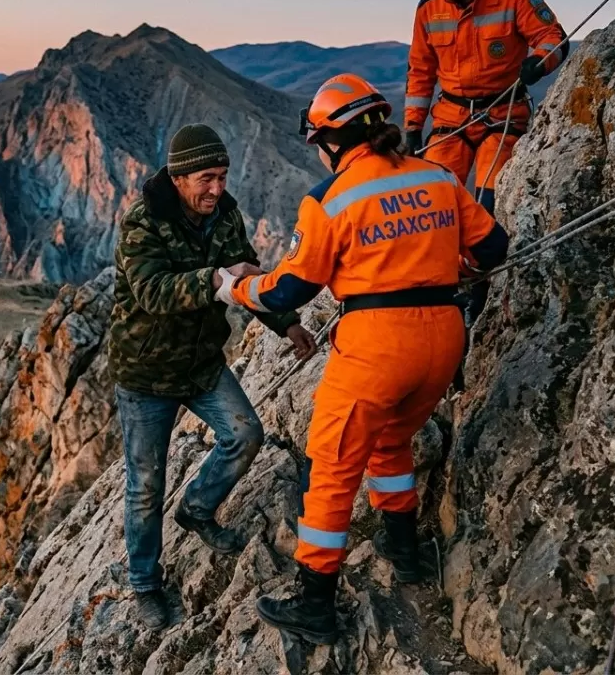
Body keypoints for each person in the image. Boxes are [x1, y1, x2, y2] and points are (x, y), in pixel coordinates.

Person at [214, 74, 509, 645]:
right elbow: (494, 247)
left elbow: (288, 293)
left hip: (377, 344)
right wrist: (449, 270)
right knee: (392, 440)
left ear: (333, 141)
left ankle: (315, 602)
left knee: (332, 468)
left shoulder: (331, 199)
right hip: (444, 339)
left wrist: (237, 289)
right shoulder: (438, 175)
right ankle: (406, 554)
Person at [110, 124, 318, 632]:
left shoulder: (224, 214)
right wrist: (216, 282)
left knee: (245, 434)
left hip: (201, 363)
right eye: (207, 178)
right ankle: (145, 584)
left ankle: (198, 509)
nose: (217, 189)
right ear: (180, 178)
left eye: (222, 177)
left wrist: (285, 322)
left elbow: (243, 280)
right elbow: (152, 293)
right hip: (146, 373)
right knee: (144, 486)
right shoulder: (143, 223)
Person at [404, 0, 566, 326]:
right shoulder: (429, 8)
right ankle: (434, 289)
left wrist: (540, 63)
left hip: (502, 114)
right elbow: (421, 69)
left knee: (485, 204)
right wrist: (413, 127)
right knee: (431, 204)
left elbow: (553, 38)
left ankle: (476, 297)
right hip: (451, 119)